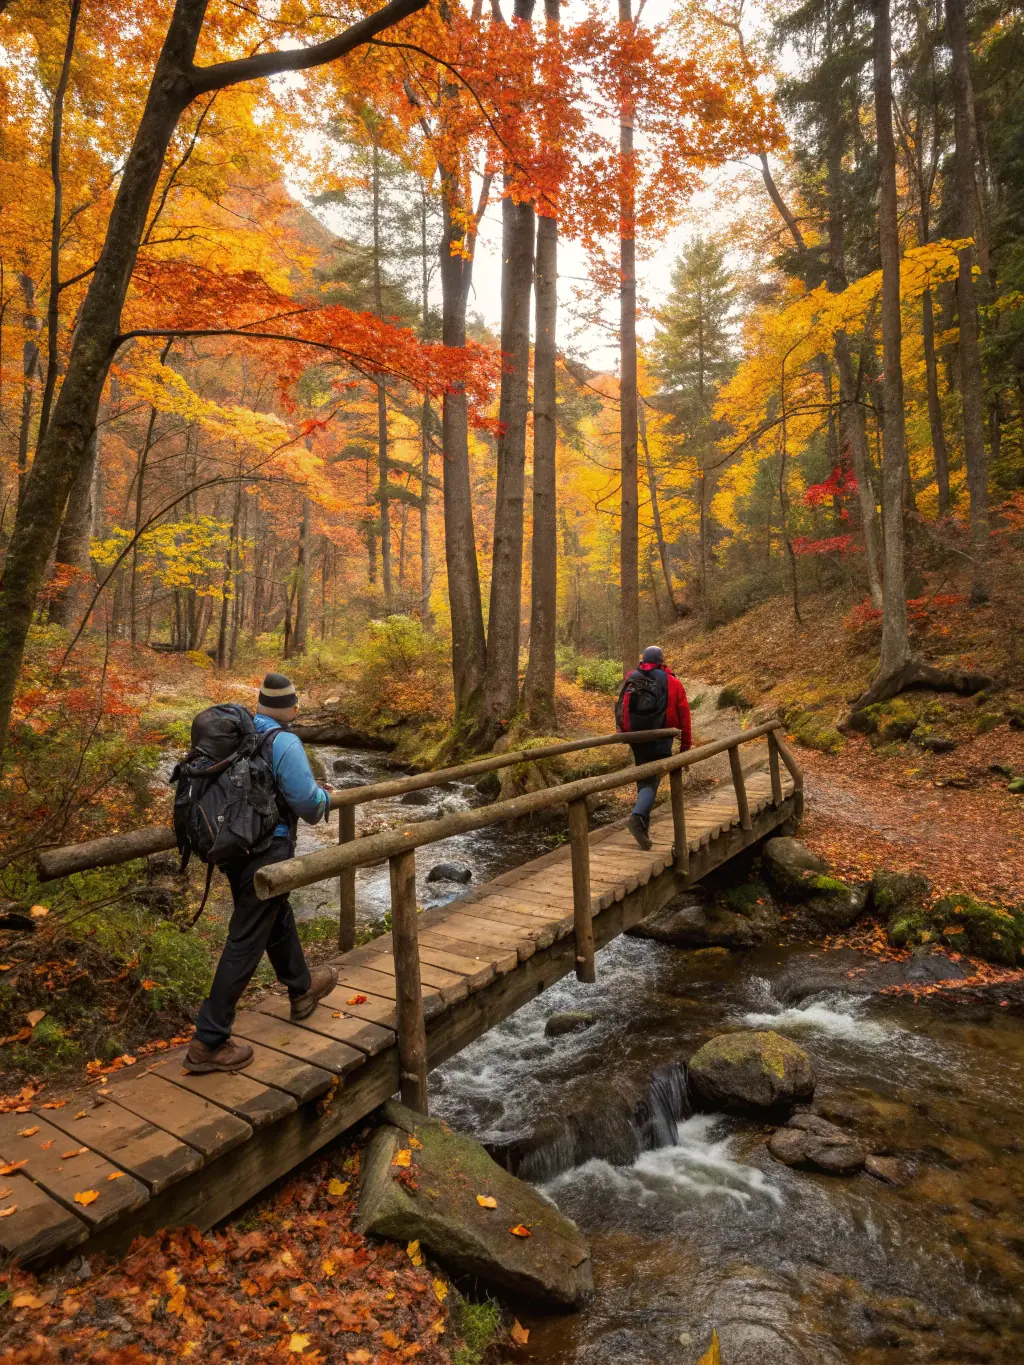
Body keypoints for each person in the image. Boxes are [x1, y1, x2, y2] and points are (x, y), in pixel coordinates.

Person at [184, 672, 338, 1074]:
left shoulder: (240, 737)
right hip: (268, 848)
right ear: (289, 707)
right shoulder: (283, 740)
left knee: (274, 915)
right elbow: (306, 802)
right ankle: (209, 1041)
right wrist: (326, 798)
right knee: (247, 936)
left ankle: (301, 990)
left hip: (235, 846)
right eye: (296, 704)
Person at [620, 645, 691, 850]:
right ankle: (638, 817)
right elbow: (684, 716)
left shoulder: (632, 677)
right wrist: (685, 744)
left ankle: (643, 828)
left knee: (645, 777)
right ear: (662, 660)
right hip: (661, 737)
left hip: (636, 737)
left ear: (644, 661)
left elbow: (622, 707)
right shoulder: (673, 682)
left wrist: (623, 733)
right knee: (652, 779)